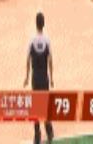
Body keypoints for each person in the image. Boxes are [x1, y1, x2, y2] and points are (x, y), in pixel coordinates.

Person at [24, 12, 54, 144]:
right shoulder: (47, 40)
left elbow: (27, 60)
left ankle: (37, 135)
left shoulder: (32, 40)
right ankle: (49, 131)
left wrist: (26, 77)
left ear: (36, 24)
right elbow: (50, 60)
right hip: (44, 77)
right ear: (43, 24)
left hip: (35, 78)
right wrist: (51, 78)